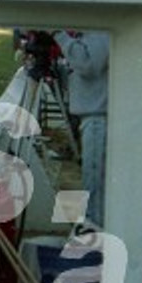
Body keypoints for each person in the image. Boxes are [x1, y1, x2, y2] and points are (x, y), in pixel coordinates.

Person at [53, 30, 110, 230]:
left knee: (94, 184)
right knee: (90, 181)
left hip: (98, 117)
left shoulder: (101, 30)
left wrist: (58, 34)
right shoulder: (89, 32)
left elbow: (89, 65)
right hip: (91, 117)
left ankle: (94, 231)